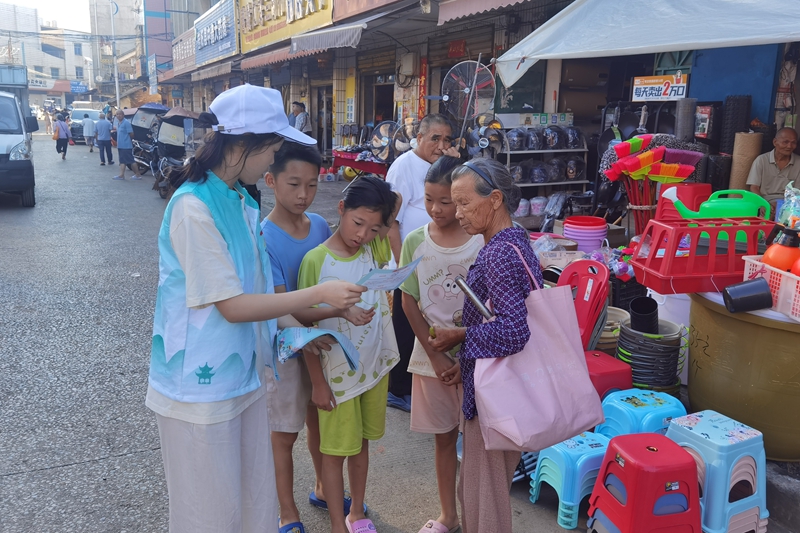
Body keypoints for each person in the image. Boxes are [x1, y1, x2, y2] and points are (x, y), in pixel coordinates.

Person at [146, 83, 366, 533]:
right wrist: (318, 295)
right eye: (272, 149)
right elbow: (232, 305)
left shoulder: (240, 199)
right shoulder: (193, 206)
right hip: (199, 389)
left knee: (250, 503)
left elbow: (261, 294)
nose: (273, 159)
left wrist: (305, 329)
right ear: (245, 145)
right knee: (208, 511)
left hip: (244, 377)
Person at [261, 142, 372, 532]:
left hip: (325, 347)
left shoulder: (320, 226)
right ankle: (287, 511)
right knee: (284, 433)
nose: (304, 195)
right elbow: (276, 303)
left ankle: (324, 488)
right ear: (271, 181)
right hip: (288, 348)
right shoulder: (265, 237)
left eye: (311, 185)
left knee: (319, 421)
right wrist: (307, 336)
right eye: (294, 184)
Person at [428, 158, 543, 533]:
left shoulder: (497, 253)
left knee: (484, 496)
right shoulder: (516, 240)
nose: (457, 213)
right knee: (481, 489)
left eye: (463, 203)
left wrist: (461, 336)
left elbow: (513, 331)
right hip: (508, 387)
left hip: (498, 397)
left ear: (494, 199)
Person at [297, 176, 399, 533]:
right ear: (341, 209)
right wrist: (317, 384)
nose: (363, 235)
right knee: (334, 450)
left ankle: (357, 512)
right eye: (357, 223)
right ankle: (338, 524)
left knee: (361, 445)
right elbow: (303, 325)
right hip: (336, 377)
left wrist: (382, 207)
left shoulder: (374, 249)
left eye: (374, 228)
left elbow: (395, 201)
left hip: (371, 369)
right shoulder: (316, 261)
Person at [400, 156, 483, 533]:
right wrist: (434, 357)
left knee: (481, 444)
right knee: (444, 440)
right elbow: (408, 300)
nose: (436, 209)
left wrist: (465, 355)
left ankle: (479, 515)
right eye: (429, 199)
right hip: (432, 362)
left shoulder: (481, 241)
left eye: (446, 201)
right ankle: (448, 515)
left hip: (478, 358)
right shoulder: (416, 241)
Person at [385, 113, 460, 412]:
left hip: (436, 265)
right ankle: (398, 390)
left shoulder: (446, 168)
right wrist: (402, 266)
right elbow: (393, 222)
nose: (441, 145)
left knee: (429, 324)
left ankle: (419, 382)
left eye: (447, 140)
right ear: (419, 138)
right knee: (405, 325)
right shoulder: (404, 166)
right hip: (410, 262)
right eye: (435, 138)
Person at [747, 127, 800, 206]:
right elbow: (754, 187)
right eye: (785, 142)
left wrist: (781, 205)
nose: (789, 146)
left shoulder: (798, 163)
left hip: (789, 204)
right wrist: (763, 205)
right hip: (764, 201)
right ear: (775, 142)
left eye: (793, 143)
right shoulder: (761, 160)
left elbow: (797, 192)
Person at [112, 110, 143, 181]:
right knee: (126, 161)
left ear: (123, 115)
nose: (119, 115)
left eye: (120, 114)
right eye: (117, 114)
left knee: (128, 161)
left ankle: (133, 175)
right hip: (120, 145)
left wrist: (127, 140)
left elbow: (131, 133)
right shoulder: (118, 123)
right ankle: (126, 175)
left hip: (125, 145)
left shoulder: (126, 123)